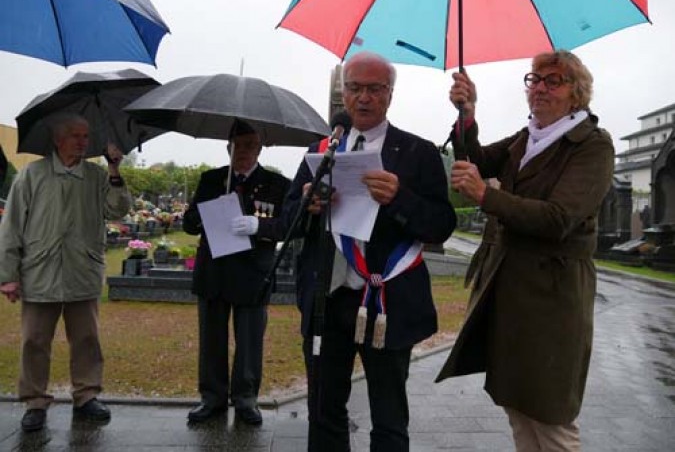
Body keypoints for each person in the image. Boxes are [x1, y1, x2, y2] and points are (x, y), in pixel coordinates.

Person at [436, 50, 615, 451]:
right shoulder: (527, 137)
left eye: (554, 81)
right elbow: (479, 160)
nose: (540, 89)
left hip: (553, 297)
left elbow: (559, 218)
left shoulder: (591, 146)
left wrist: (485, 196)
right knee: (518, 408)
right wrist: (468, 111)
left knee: (550, 416)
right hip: (513, 292)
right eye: (535, 79)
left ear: (577, 93)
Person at [283, 51, 457, 451]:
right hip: (327, 301)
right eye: (355, 87)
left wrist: (399, 198)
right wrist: (306, 206)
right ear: (343, 93)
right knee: (324, 414)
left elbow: (441, 224)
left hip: (387, 302)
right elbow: (285, 220)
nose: (364, 97)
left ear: (389, 95)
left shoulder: (418, 152)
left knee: (389, 417)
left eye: (374, 89)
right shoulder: (321, 151)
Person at [0, 114, 131, 432]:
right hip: (39, 272)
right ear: (58, 139)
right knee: (34, 340)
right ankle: (34, 401)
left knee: (87, 338)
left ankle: (86, 396)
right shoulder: (33, 174)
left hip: (82, 271)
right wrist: (8, 274)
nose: (83, 142)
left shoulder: (97, 175)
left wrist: (114, 169)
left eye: (86, 136)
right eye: (76, 135)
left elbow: (118, 209)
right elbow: (12, 225)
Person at [183, 120, 291, 426]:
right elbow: (188, 224)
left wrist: (260, 226)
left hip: (253, 275)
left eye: (249, 145)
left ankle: (246, 399)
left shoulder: (277, 185)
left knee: (250, 342)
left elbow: (289, 226)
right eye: (237, 145)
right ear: (228, 146)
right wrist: (208, 213)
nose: (242, 151)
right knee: (211, 341)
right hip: (214, 272)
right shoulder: (211, 179)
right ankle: (212, 398)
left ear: (259, 148)